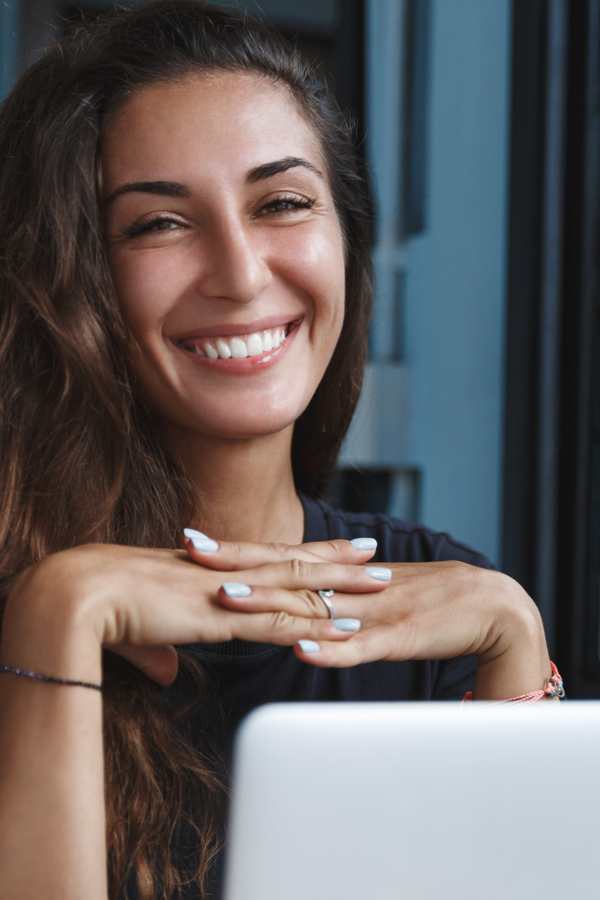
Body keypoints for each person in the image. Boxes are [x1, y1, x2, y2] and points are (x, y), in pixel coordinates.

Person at [0, 2, 559, 898]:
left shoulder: (446, 604)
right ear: (67, 276)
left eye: (283, 203)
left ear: (345, 240)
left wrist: (517, 644)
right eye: (159, 224)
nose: (242, 271)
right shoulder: (29, 609)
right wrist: (58, 614)